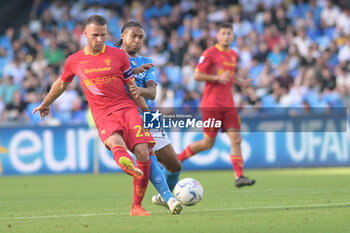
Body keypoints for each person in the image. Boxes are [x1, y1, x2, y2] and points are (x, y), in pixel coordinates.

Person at [32, 15, 154, 216]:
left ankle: (137, 206)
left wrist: (150, 117)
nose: (99, 40)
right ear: (85, 34)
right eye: (95, 35)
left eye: (103, 35)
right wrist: (46, 103)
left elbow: (133, 89)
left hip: (127, 108)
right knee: (115, 141)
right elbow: (61, 84)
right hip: (103, 113)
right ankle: (127, 164)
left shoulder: (119, 56)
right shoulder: (74, 60)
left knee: (143, 152)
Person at [177, 23, 256, 188]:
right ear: (218, 36)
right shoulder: (210, 53)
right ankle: (178, 159)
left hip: (228, 105)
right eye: (223, 33)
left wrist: (241, 82)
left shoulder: (233, 55)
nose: (226, 36)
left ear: (233, 36)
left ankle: (239, 176)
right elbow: (197, 75)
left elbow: (229, 76)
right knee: (207, 143)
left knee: (236, 138)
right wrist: (216, 78)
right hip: (211, 105)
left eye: (229, 33)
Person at [116, 21, 183, 212]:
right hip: (127, 116)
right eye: (133, 36)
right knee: (146, 153)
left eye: (140, 37)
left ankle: (164, 195)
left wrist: (140, 89)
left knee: (175, 165)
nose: (137, 41)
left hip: (149, 114)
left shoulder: (145, 62)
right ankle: (169, 198)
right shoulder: (113, 58)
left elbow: (153, 93)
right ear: (123, 36)